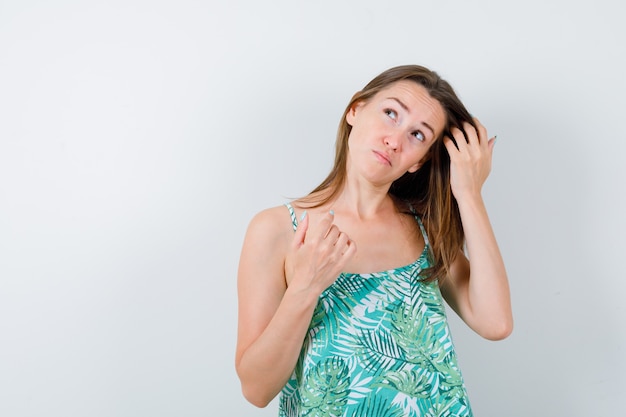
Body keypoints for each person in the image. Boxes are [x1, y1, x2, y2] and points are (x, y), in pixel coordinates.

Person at [235, 64, 513, 416]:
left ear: (419, 162)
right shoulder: (277, 229)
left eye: (418, 135)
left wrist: (469, 193)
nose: (394, 140)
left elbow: (496, 322)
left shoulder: (424, 227)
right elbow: (256, 390)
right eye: (391, 113)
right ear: (356, 110)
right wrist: (305, 287)